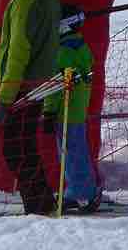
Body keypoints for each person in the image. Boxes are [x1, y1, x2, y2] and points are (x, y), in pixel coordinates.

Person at [0, 0, 62, 215]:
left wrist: (4, 98)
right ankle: (41, 204)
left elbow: (18, 51)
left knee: (17, 151)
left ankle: (39, 207)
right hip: (39, 84)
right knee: (26, 148)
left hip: (21, 87)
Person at [43, 14, 98, 212]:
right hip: (78, 107)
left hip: (65, 109)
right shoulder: (82, 46)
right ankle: (86, 190)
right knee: (77, 150)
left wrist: (49, 111)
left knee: (69, 153)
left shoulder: (61, 52)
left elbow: (54, 84)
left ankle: (79, 193)